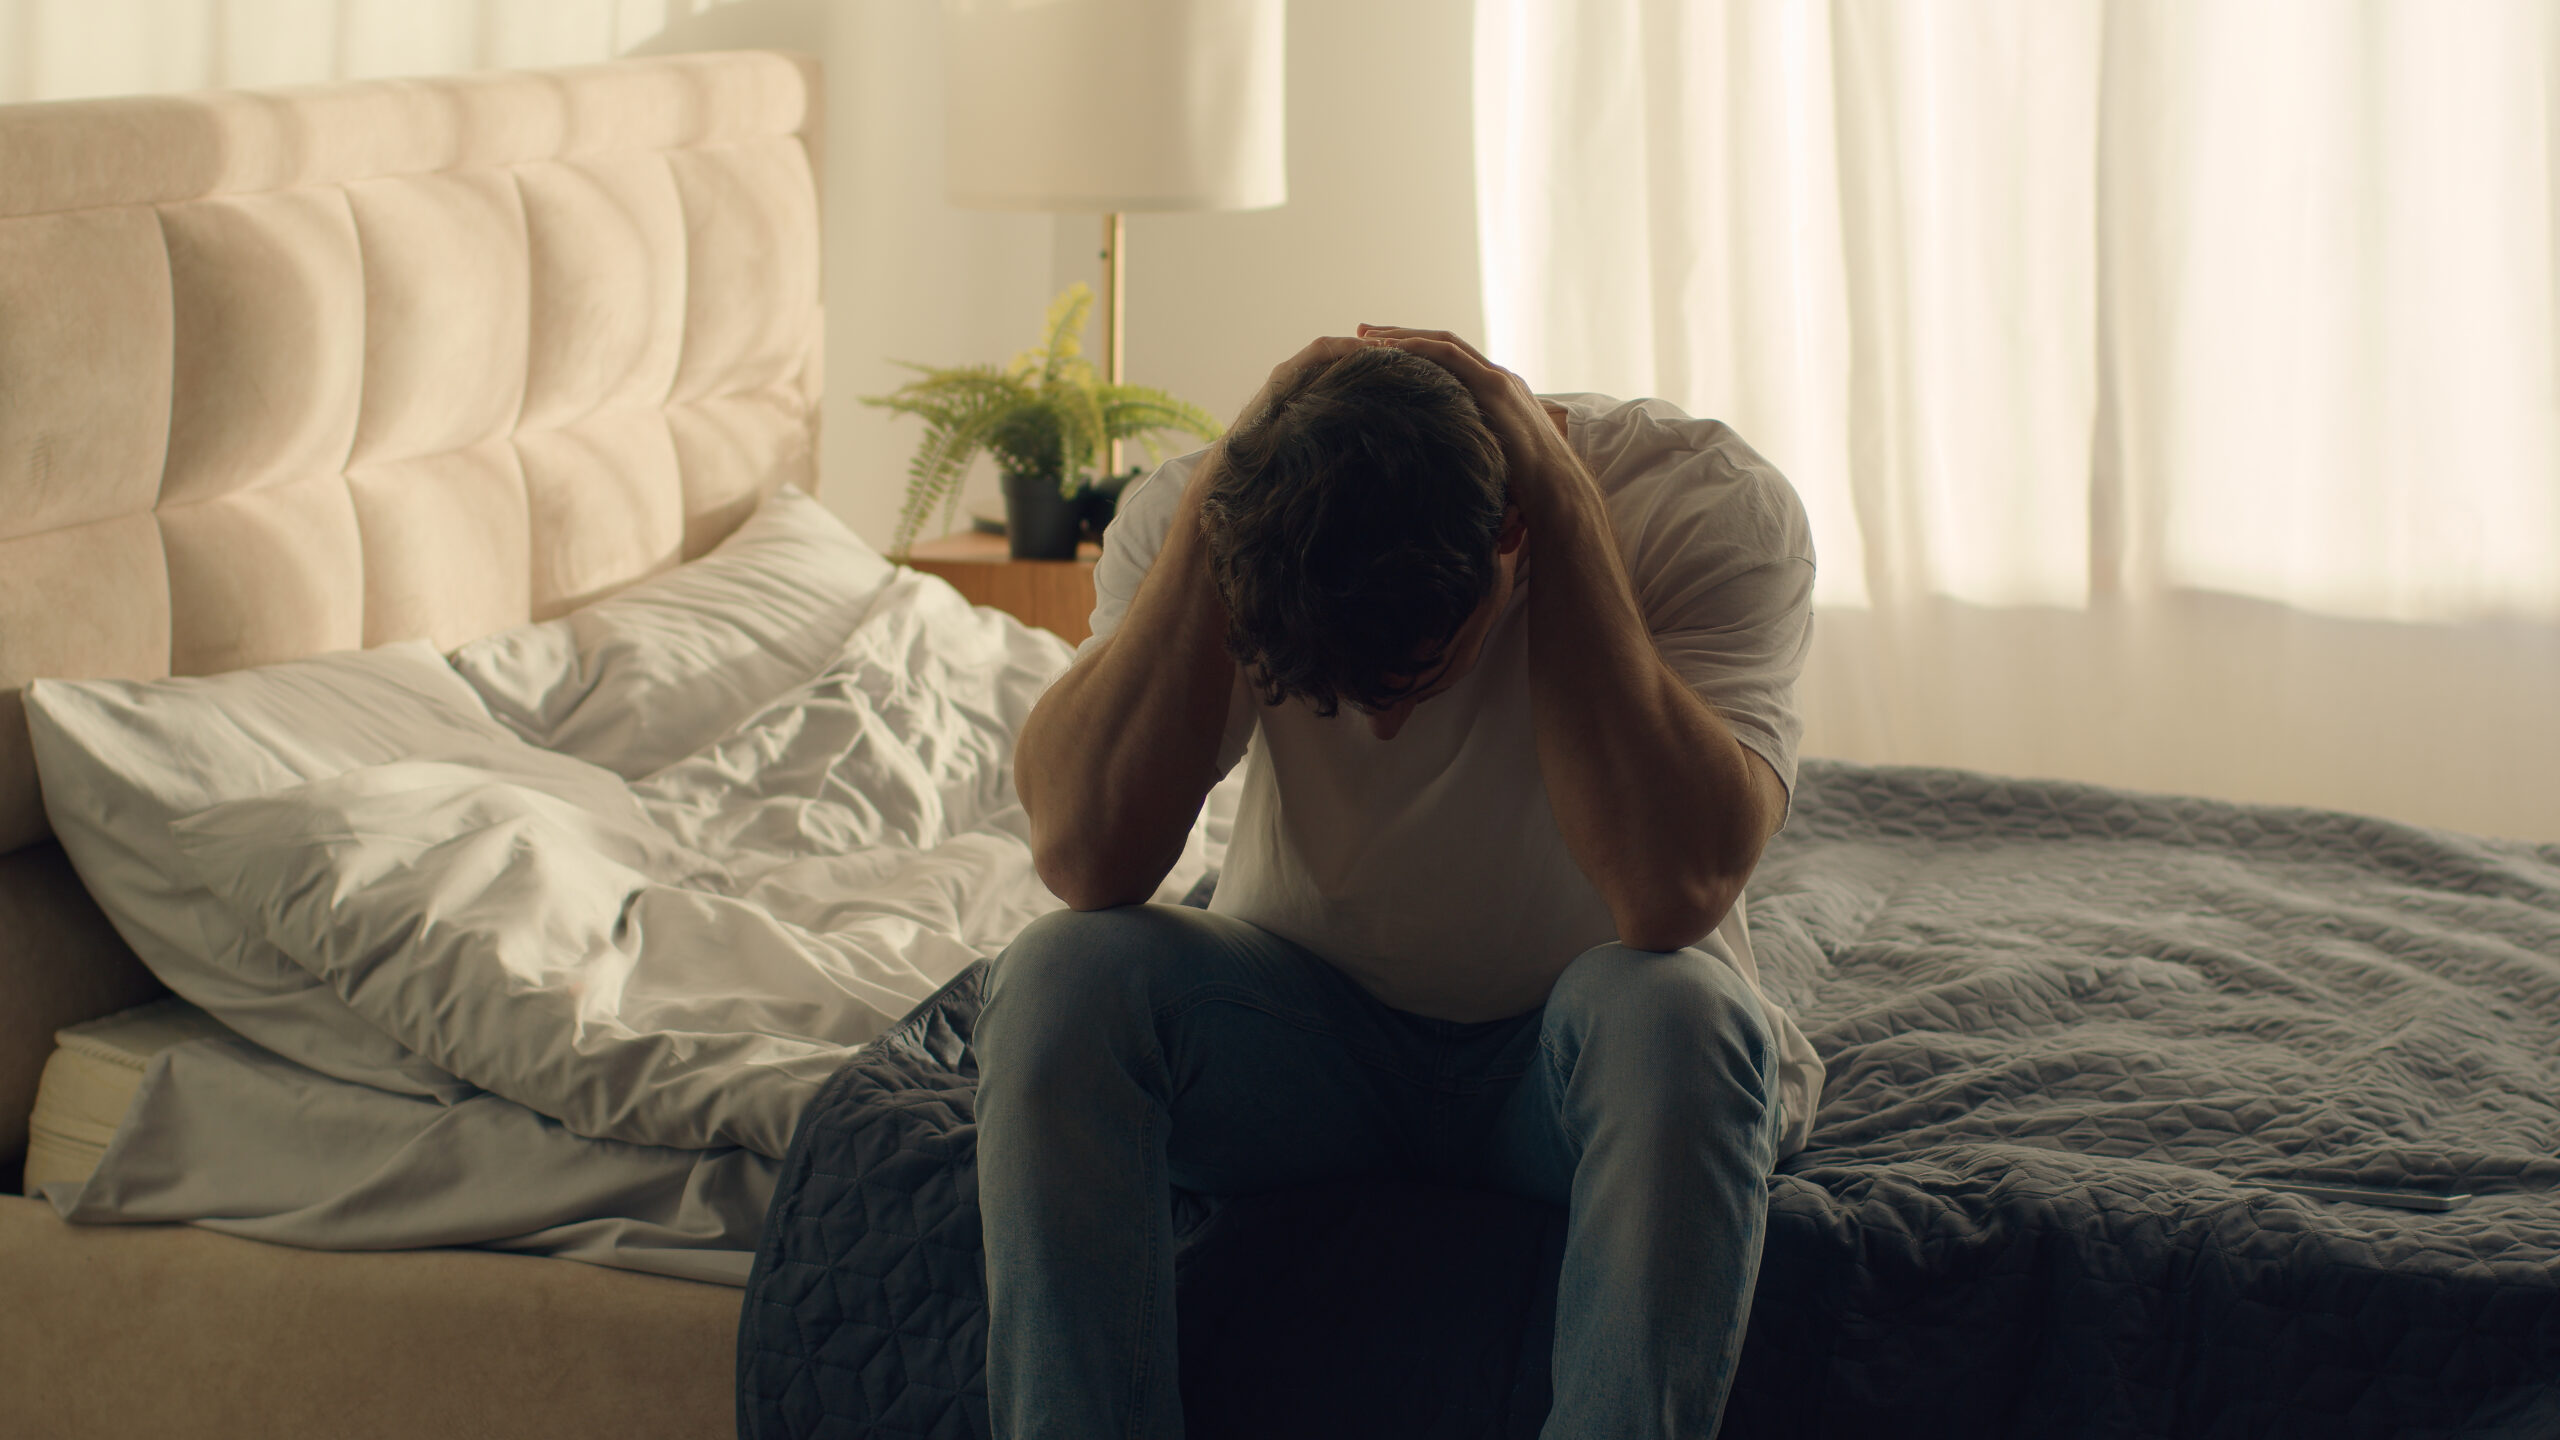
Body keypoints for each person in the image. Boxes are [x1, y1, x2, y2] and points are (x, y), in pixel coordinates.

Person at [980, 324, 1826, 1439]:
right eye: (1331, 691)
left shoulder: (1700, 503)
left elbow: (1672, 891)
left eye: (1418, 676)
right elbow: (1087, 856)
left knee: (1687, 1015)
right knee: (1059, 975)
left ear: (1512, 532)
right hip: (1302, 1050)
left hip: (1572, 1070)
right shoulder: (1207, 514)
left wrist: (1570, 518)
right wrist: (1211, 519)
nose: (1380, 723)